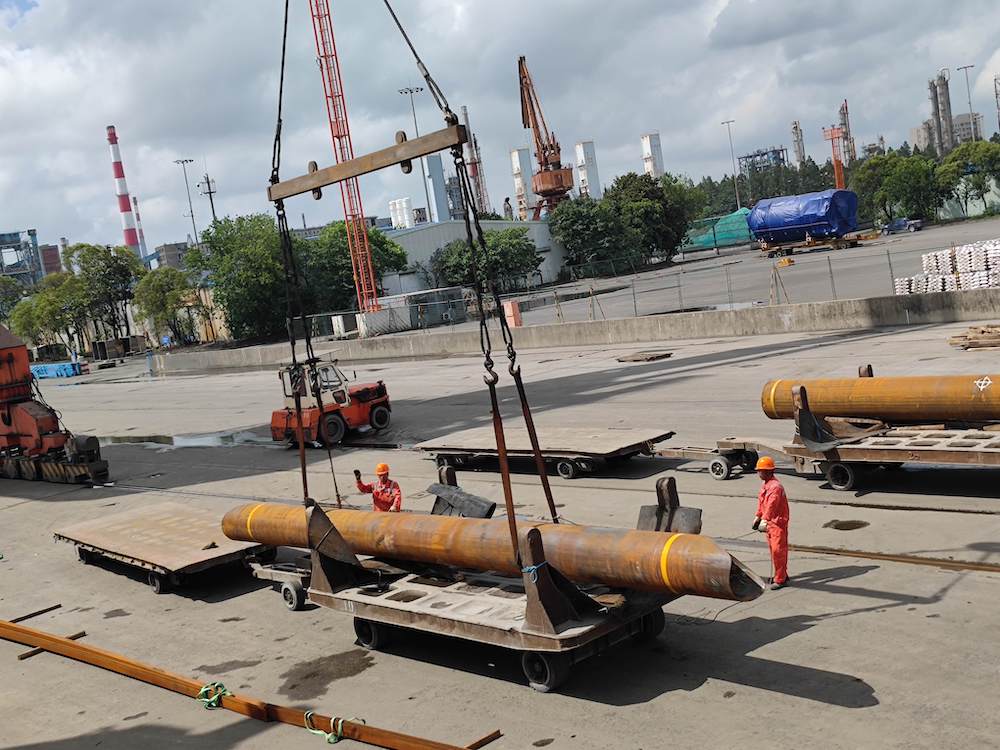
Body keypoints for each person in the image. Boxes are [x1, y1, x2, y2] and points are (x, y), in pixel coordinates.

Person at [752, 456, 789, 589]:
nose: (758, 473)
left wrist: (764, 519)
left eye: (760, 471)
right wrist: (758, 516)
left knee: (778, 551)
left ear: (767, 471)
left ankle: (780, 580)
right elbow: (762, 503)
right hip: (770, 523)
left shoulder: (775, 487)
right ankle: (782, 574)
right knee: (774, 551)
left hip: (777, 523)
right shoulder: (766, 485)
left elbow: (772, 506)